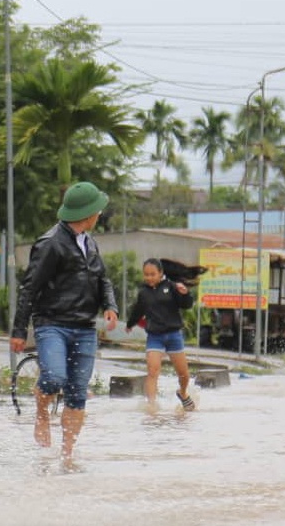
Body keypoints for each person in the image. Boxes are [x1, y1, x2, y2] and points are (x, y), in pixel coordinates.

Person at [10, 181, 119, 464]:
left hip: (84, 327)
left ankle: (67, 456)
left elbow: (103, 279)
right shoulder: (50, 244)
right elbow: (29, 288)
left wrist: (110, 306)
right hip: (52, 324)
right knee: (55, 377)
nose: (100, 215)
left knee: (77, 393)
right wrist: (19, 330)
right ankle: (42, 410)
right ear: (88, 213)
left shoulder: (90, 242)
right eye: (99, 211)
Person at [125, 258, 196, 410]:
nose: (149, 278)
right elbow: (138, 310)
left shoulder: (171, 287)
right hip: (154, 337)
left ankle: (183, 393)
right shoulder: (143, 292)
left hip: (173, 336)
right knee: (152, 370)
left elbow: (186, 305)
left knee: (184, 374)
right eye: (146, 274)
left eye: (152, 274)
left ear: (161, 273)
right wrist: (130, 324)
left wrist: (185, 294)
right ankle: (151, 406)